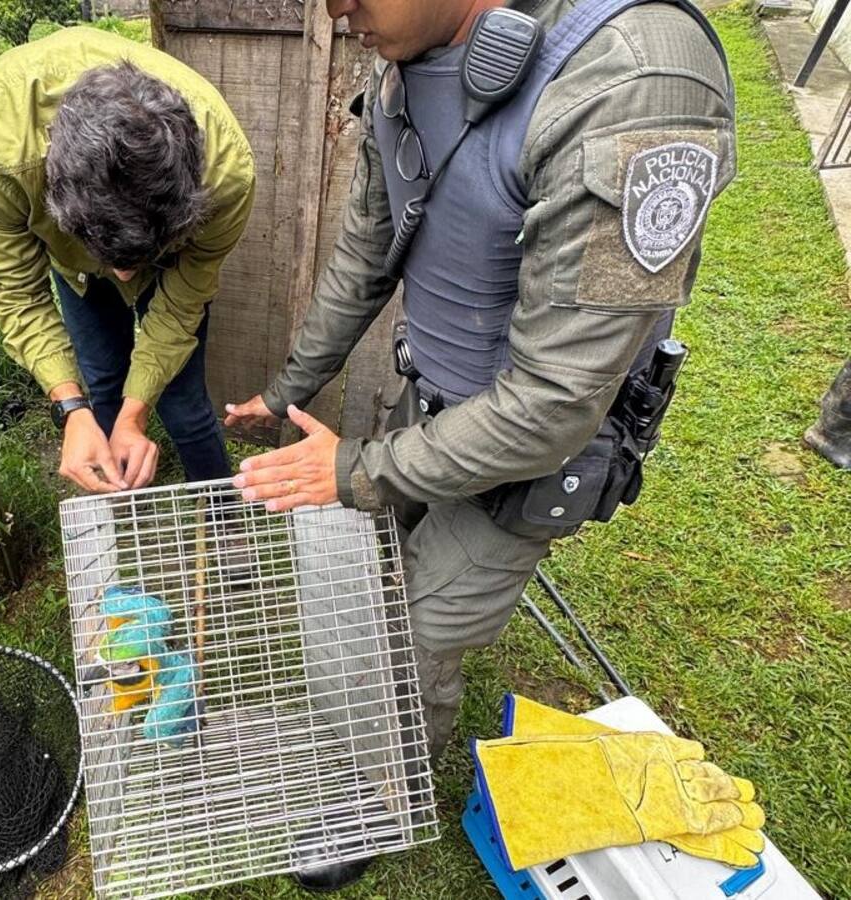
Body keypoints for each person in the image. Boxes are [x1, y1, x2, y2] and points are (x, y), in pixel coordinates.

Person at [226, 0, 734, 886]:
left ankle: (380, 794)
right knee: (374, 572)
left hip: (533, 459)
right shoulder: (408, 45)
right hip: (432, 399)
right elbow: (369, 249)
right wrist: (288, 388)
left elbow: (553, 405)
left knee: (417, 634)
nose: (335, 9)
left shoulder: (634, 80)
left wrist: (356, 469)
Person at [0, 26, 255, 494]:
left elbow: (180, 309)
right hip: (74, 265)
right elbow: (19, 294)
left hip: (166, 258)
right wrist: (71, 410)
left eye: (137, 259)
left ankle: (223, 512)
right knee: (102, 380)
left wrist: (136, 416)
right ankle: (119, 496)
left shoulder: (226, 174)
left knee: (183, 400)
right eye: (111, 257)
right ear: (57, 196)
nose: (123, 276)